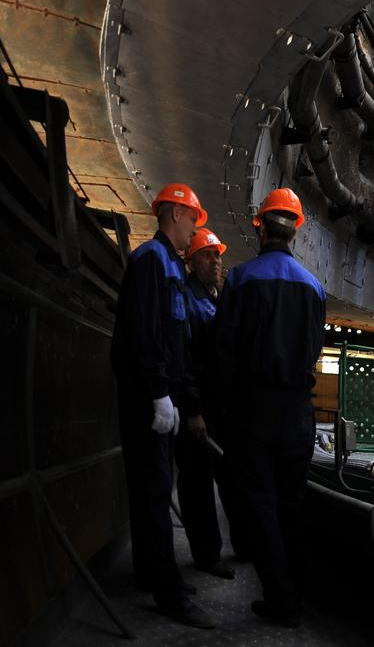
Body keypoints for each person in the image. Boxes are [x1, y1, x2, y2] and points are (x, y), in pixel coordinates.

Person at [215, 188, 325, 627]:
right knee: (290, 505)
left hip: (254, 409)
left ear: (260, 227)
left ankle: (281, 599)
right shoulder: (314, 286)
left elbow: (223, 352)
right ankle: (296, 593)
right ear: (296, 230)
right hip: (298, 410)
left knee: (259, 505)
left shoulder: (241, 280)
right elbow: (314, 349)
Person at [110, 182, 215, 629]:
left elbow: (170, 337)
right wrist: (157, 392)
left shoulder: (168, 264)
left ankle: (151, 574)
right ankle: (168, 593)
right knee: (154, 495)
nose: (195, 228)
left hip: (160, 399)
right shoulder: (151, 260)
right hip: (147, 401)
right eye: (192, 218)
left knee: (152, 492)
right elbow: (143, 332)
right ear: (174, 213)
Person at [175, 226, 247, 578]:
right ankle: (207, 554)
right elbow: (184, 360)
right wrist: (193, 411)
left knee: (231, 477)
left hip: (221, 409)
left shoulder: (218, 298)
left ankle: (243, 545)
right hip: (199, 411)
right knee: (197, 483)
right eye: (207, 255)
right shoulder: (187, 300)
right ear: (192, 262)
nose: (215, 261)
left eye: (217, 255)